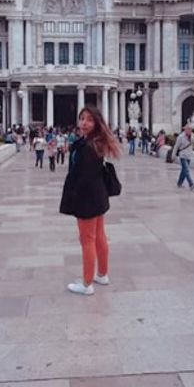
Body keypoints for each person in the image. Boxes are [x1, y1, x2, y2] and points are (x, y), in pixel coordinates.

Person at [59, 105, 120, 295]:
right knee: (99, 235)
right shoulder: (95, 143)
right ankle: (102, 274)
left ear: (97, 123)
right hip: (98, 196)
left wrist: (74, 199)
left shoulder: (88, 147)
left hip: (86, 198)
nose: (84, 123)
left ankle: (86, 284)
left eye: (89, 119)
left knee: (87, 239)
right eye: (82, 118)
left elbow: (82, 177)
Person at [172, 122, 194, 190]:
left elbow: (193, 144)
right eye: (188, 129)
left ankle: (179, 183)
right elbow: (176, 147)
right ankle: (191, 184)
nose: (189, 130)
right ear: (185, 129)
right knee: (187, 170)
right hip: (182, 155)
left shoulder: (192, 135)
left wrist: (193, 146)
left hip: (189, 155)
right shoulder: (180, 137)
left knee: (184, 170)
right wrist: (173, 155)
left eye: (190, 129)